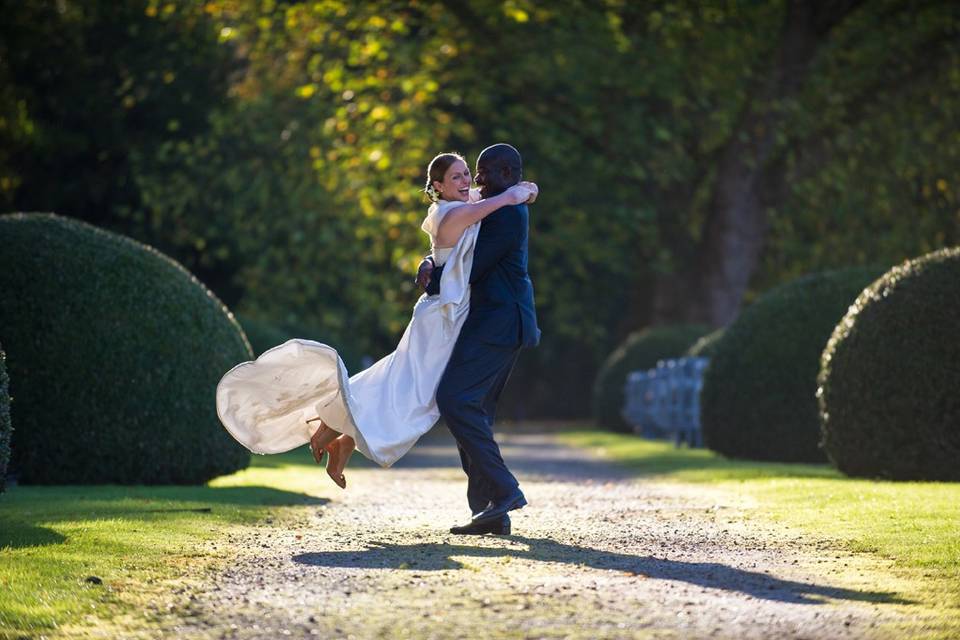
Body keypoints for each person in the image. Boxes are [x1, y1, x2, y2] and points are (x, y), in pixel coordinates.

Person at [215, 151, 536, 497]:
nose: (469, 182)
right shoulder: (455, 213)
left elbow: (488, 203)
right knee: (413, 389)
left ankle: (340, 434)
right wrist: (513, 194)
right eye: (458, 176)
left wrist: (523, 190)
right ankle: (334, 425)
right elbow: (484, 212)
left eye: (468, 175)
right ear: (437, 186)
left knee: (406, 383)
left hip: (453, 313)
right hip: (443, 316)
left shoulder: (462, 204)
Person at [419, 143, 540, 536]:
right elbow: (456, 242)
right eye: (474, 171)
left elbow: (468, 268)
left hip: (500, 323)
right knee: (473, 410)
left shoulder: (507, 214)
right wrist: (430, 260)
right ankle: (489, 511)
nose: (478, 179)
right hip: (494, 322)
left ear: (507, 172)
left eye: (485, 172)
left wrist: (430, 278)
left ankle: (505, 491)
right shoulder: (500, 203)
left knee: (455, 400)